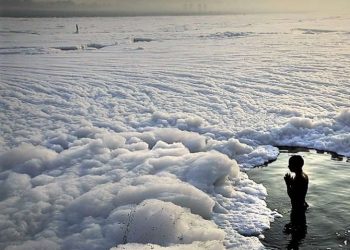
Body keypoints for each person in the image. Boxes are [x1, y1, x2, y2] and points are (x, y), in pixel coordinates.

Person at [284, 155, 309, 249]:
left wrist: (287, 184)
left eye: (290, 165)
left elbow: (293, 196)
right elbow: (300, 191)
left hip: (297, 209)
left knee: (295, 238)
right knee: (298, 231)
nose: (288, 166)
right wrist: (291, 183)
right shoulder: (303, 175)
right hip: (302, 205)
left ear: (296, 166)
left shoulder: (298, 178)